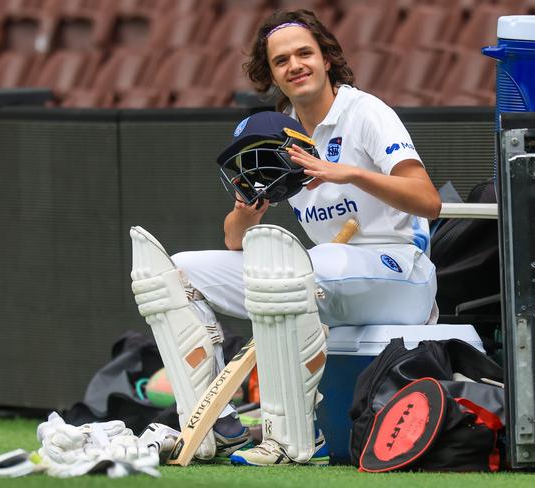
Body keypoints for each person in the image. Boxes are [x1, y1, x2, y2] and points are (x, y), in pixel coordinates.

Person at [130, 9, 441, 467]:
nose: (295, 65)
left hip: (400, 276)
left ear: (327, 59)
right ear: (272, 73)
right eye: (282, 61)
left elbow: (428, 200)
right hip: (321, 277)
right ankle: (219, 425)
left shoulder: (367, 112)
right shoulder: (280, 131)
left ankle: (295, 437)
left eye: (304, 53)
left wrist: (348, 173)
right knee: (177, 271)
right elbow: (236, 244)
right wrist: (244, 213)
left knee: (309, 265)